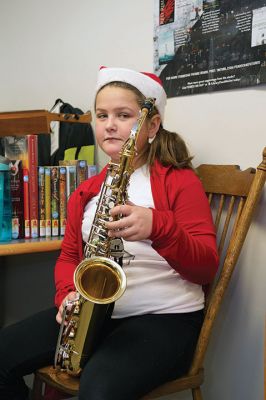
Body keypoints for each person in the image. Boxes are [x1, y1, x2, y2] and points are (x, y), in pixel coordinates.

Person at [0, 66, 219, 400]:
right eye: (102, 115)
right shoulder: (87, 190)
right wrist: (66, 297)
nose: (110, 124)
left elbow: (205, 266)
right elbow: (70, 258)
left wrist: (157, 226)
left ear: (152, 126)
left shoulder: (179, 181)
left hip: (165, 319)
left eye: (124, 115)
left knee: (101, 389)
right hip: (95, 312)